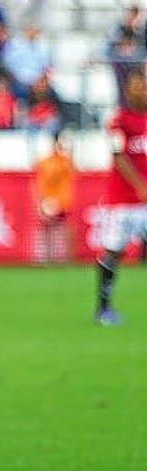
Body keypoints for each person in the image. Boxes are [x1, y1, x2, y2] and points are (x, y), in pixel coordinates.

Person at [95, 68, 147, 326]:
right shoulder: (119, 120)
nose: (142, 90)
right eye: (137, 86)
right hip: (123, 201)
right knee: (114, 252)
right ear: (128, 90)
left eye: (144, 85)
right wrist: (140, 185)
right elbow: (118, 155)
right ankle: (103, 309)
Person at [34, 131, 75, 265]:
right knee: (48, 228)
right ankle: (48, 258)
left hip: (63, 199)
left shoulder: (65, 160)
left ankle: (67, 259)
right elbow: (40, 182)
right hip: (49, 199)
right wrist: (40, 201)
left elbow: (72, 170)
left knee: (66, 227)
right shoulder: (45, 162)